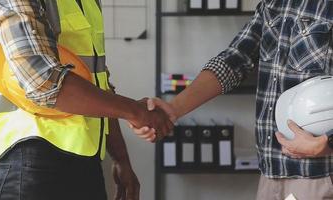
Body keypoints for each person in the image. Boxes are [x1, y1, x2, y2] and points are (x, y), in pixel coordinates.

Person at [133, 1, 333, 199]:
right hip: (271, 173)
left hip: (320, 175)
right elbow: (234, 60)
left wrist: (327, 145)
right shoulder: (272, 4)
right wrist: (173, 109)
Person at [0, 0, 173, 199]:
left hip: (85, 163)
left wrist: (120, 158)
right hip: (33, 162)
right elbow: (42, 81)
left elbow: (98, 84)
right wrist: (136, 112)